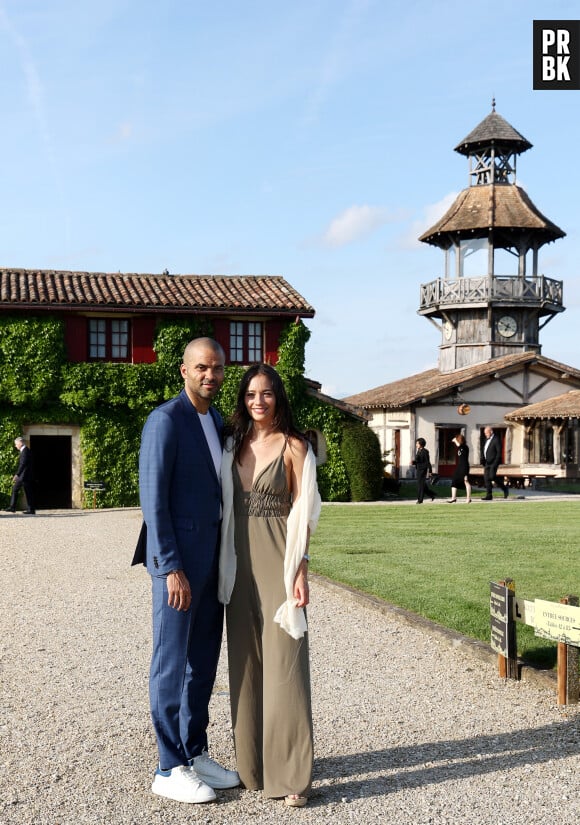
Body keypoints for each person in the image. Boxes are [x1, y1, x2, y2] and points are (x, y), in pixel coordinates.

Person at [137, 337, 240, 805]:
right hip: (179, 565)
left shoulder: (215, 418)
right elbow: (154, 502)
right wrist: (170, 568)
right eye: (201, 367)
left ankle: (194, 752)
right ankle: (167, 765)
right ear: (184, 371)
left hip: (212, 561)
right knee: (171, 664)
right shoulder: (166, 421)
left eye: (216, 368)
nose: (210, 375)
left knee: (203, 664)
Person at [218, 364, 321, 809]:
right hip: (235, 562)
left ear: (278, 397)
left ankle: (291, 773)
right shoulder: (231, 445)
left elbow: (306, 511)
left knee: (286, 665)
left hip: (279, 560)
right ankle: (252, 768)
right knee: (245, 663)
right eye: (250, 395)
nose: (258, 402)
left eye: (266, 394)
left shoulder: (296, 447)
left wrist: (300, 567)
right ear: (242, 400)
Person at [5, 436, 35, 514]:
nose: (15, 446)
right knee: (21, 490)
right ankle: (14, 507)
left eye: (16, 444)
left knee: (24, 491)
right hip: (24, 475)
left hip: (24, 476)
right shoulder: (25, 450)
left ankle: (15, 507)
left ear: (20, 443)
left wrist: (17, 474)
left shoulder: (25, 451)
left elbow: (23, 464)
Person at [481, 426, 509, 500]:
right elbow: (484, 450)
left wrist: (495, 463)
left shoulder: (496, 439)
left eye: (486, 433)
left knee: (492, 476)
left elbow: (499, 452)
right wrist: (482, 459)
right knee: (486, 478)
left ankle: (504, 488)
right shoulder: (486, 440)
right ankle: (489, 495)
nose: (485, 434)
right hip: (487, 462)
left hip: (494, 462)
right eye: (485, 433)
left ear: (491, 431)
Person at [448, 434, 472, 503]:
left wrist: (455, 440)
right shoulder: (459, 447)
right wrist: (455, 441)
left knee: (466, 481)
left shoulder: (465, 447)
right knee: (454, 480)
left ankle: (468, 498)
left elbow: (459, 445)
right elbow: (458, 446)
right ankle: (453, 498)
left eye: (457, 439)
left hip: (464, 467)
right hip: (459, 466)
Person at [413, 438, 436, 503]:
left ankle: (420, 500)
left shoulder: (425, 451)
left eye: (417, 443)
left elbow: (427, 462)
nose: (416, 444)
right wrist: (413, 462)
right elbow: (419, 461)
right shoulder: (418, 450)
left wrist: (430, 471)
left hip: (423, 470)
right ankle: (432, 495)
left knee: (420, 485)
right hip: (418, 469)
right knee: (422, 484)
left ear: (421, 444)